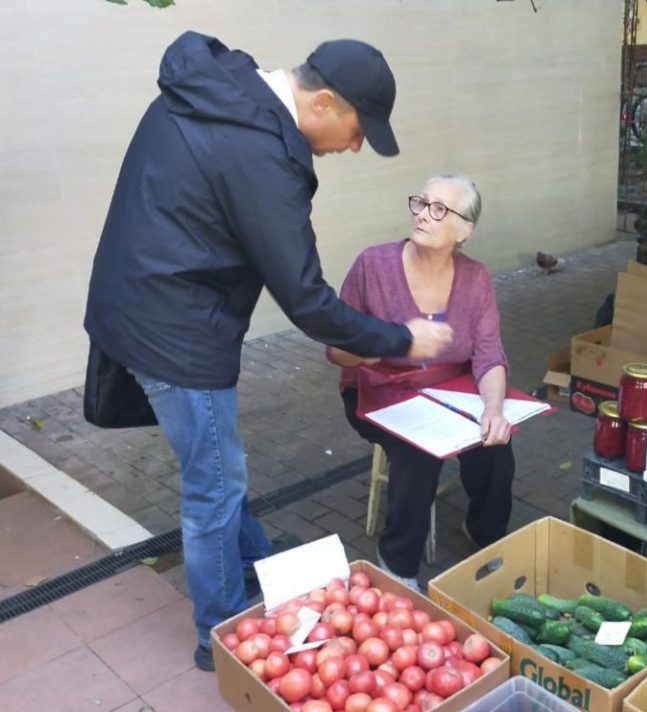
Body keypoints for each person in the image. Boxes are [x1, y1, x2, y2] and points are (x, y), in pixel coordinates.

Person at [83, 32, 453, 672]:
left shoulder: (222, 91)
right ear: (324, 102)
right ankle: (219, 630)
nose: (356, 145)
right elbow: (307, 300)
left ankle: (252, 555)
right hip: (173, 332)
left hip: (136, 299)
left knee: (221, 469)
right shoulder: (258, 152)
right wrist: (400, 339)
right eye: (359, 129)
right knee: (213, 488)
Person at [327, 175, 516, 590]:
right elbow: (337, 352)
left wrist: (494, 410)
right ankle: (397, 564)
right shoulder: (373, 266)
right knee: (418, 452)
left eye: (439, 209)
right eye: (421, 203)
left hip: (451, 394)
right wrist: (391, 343)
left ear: (464, 230)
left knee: (496, 447)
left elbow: (488, 355)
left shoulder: (476, 278)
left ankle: (485, 535)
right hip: (378, 393)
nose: (423, 215)